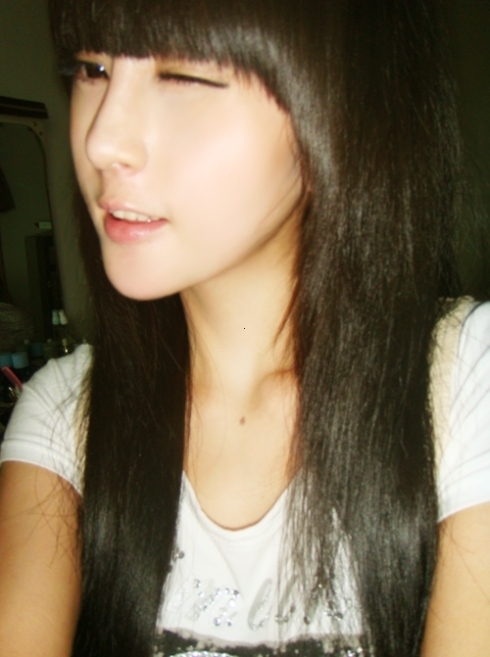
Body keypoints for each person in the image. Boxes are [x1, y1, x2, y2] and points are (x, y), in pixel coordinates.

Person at [0, 0, 489, 655]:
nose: (101, 140)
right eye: (92, 68)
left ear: (342, 108)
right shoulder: (65, 416)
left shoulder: (467, 387)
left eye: (183, 74)